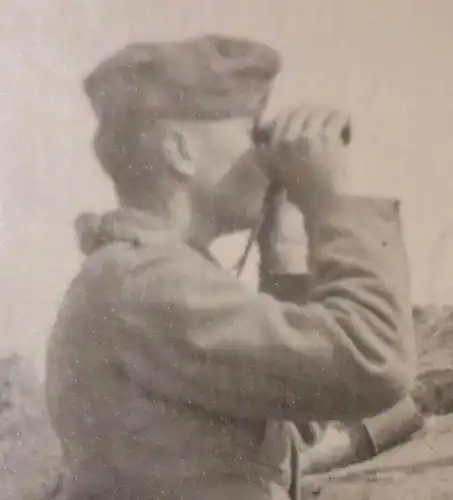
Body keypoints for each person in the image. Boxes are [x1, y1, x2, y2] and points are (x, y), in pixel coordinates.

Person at [46, 34, 415, 500]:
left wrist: (284, 251)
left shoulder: (149, 277)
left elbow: (292, 415)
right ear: (180, 151)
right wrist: (332, 203)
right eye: (253, 132)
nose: (268, 156)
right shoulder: (144, 283)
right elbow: (373, 363)